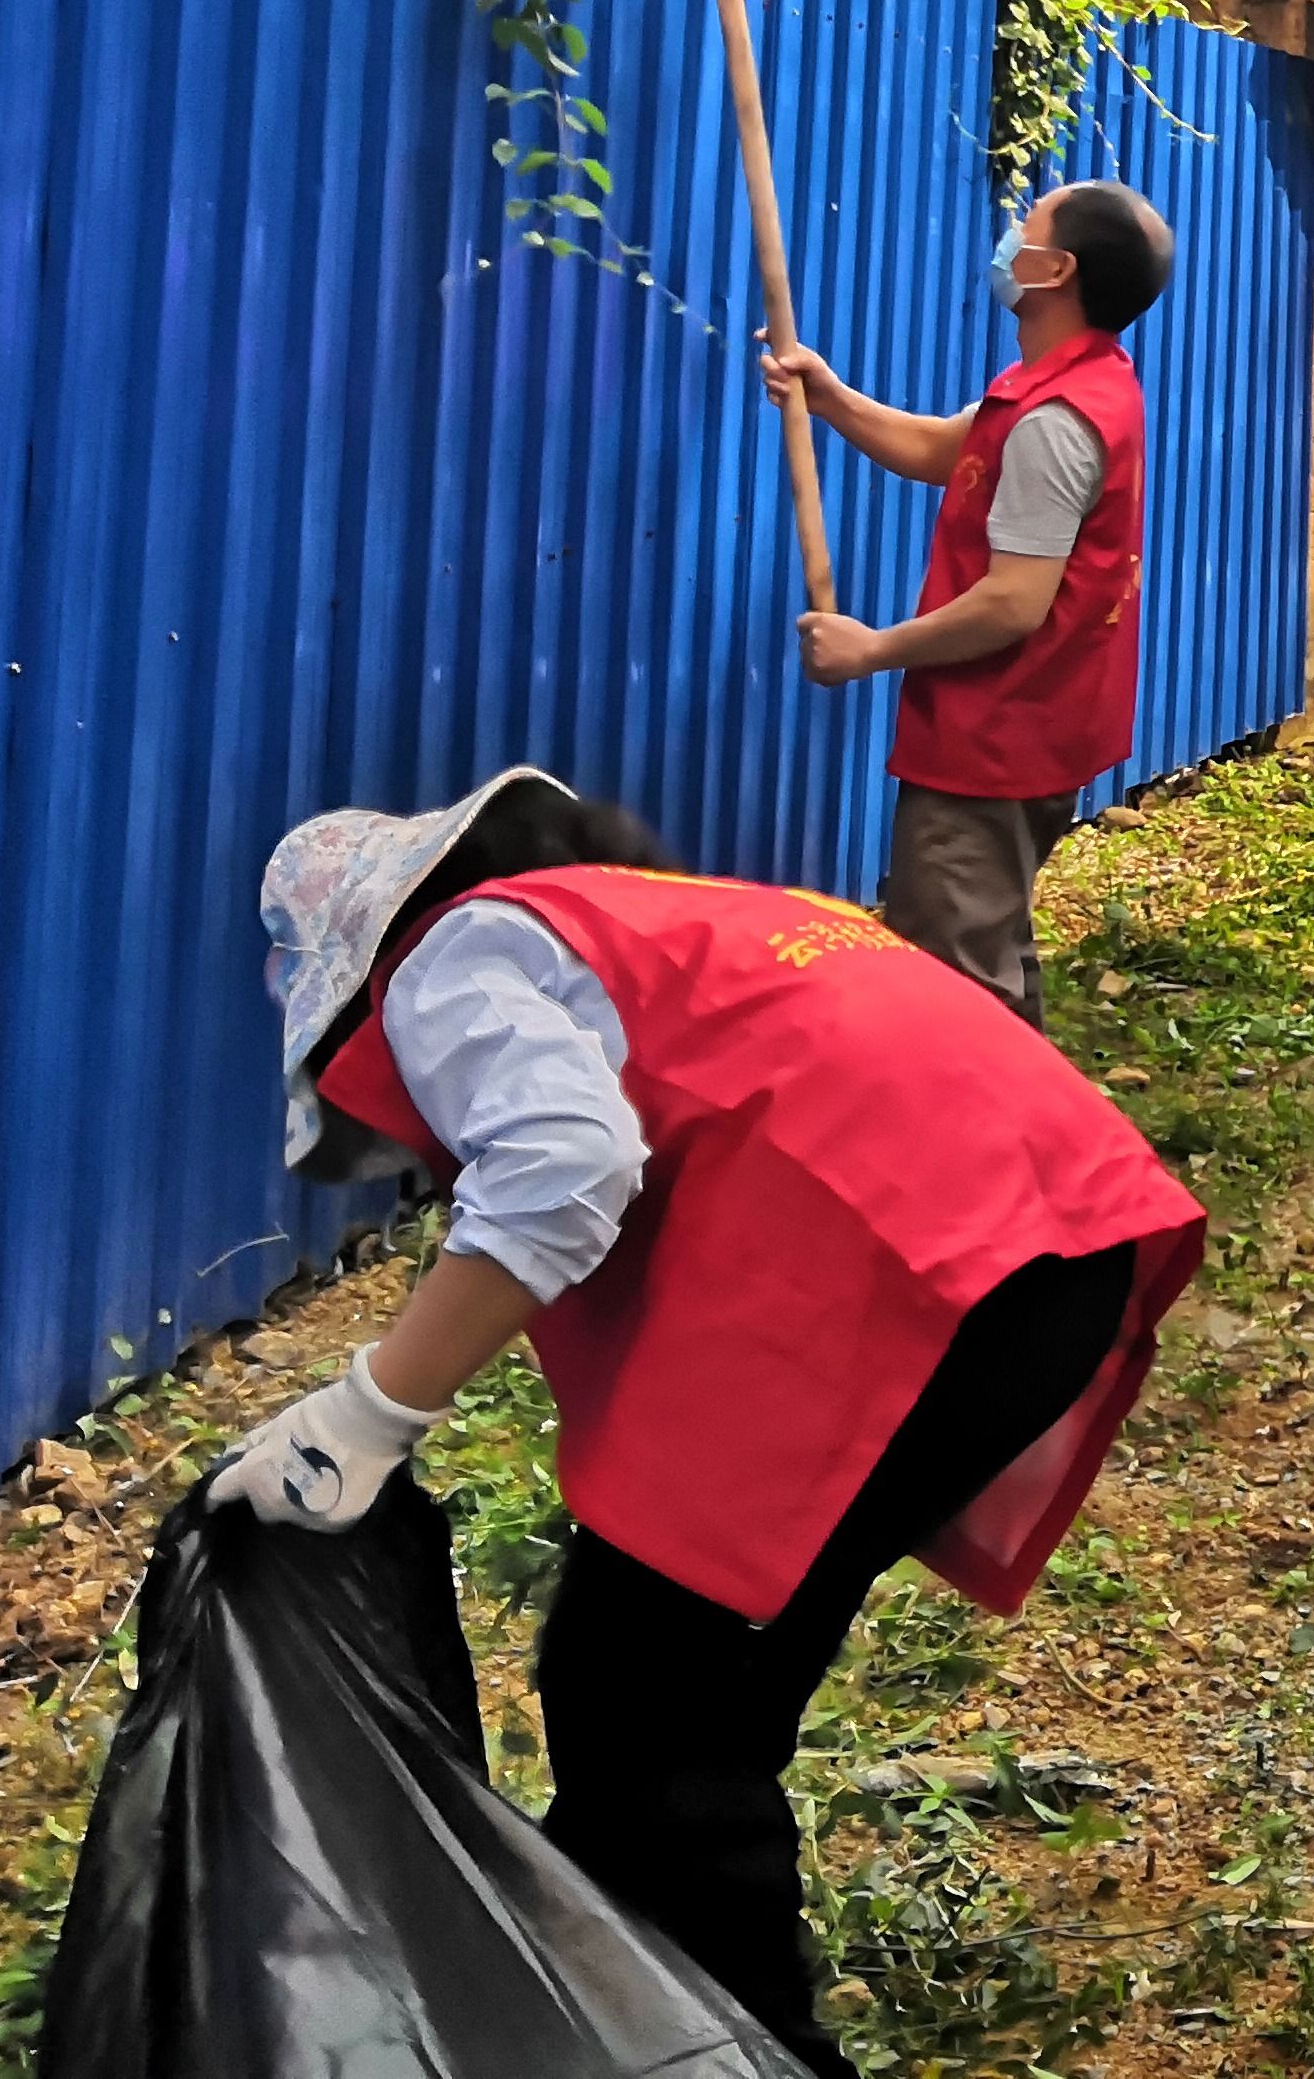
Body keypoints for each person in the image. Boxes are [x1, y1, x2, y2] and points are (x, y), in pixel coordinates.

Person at [216, 768, 1203, 2077]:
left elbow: (561, 1166)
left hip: (914, 1269)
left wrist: (368, 1412)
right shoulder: (650, 913)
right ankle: (606, 1982)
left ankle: (739, 2050)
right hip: (1041, 1247)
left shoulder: (455, 955)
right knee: (675, 1691)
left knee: (648, 1699)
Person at [761, 178, 1174, 1016]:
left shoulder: (1057, 421)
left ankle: (981, 1139)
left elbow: (1012, 603)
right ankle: (1021, 1129)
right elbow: (946, 448)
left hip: (997, 736)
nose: (1008, 241)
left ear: (1054, 269)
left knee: (953, 984)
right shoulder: (1062, 384)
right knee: (986, 944)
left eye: (1025, 229)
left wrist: (871, 649)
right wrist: (829, 396)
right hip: (1028, 724)